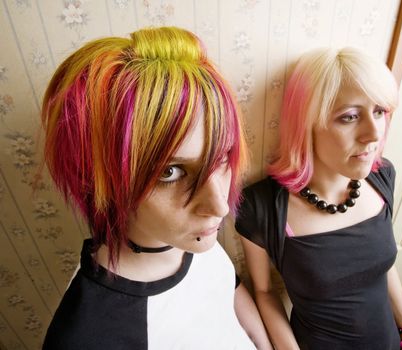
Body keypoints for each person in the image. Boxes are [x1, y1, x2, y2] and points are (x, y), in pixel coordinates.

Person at [41, 26, 272, 350]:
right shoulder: (92, 335)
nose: (220, 206)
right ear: (97, 177)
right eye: (170, 171)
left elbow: (227, 291)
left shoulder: (188, 238)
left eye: (221, 158)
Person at [235, 47, 402, 350]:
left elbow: (382, 263)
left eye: (379, 112)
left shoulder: (382, 177)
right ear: (306, 122)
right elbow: (265, 292)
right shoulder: (262, 207)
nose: (374, 134)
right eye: (349, 116)